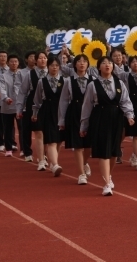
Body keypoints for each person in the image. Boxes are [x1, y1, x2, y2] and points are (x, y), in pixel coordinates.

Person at [80, 56, 135, 196]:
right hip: (100, 118)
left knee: (113, 152)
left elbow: (126, 101)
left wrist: (129, 116)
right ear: (99, 67)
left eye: (109, 63)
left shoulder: (120, 83)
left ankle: (108, 176)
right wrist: (83, 126)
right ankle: (105, 184)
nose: (107, 65)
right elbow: (87, 106)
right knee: (104, 151)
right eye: (103, 63)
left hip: (116, 119)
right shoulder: (93, 85)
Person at [58, 53, 95, 184]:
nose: (81, 63)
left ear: (88, 64)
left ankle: (84, 163)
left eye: (84, 61)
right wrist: (61, 120)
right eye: (79, 61)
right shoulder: (68, 81)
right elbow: (63, 101)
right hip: (74, 112)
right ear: (74, 65)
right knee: (78, 145)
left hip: (90, 113)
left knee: (89, 145)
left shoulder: (94, 80)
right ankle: (81, 174)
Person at [31, 56, 67, 177]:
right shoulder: (42, 81)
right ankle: (55, 164)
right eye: (52, 65)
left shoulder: (65, 81)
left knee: (59, 139)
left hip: (61, 111)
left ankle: (52, 162)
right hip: (47, 111)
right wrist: (35, 113)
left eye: (57, 65)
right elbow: (37, 100)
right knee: (51, 139)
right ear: (48, 67)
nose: (54, 68)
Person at [16, 51, 48, 165]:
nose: (43, 60)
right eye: (40, 58)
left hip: (48, 105)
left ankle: (44, 155)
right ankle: (29, 153)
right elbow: (22, 92)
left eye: (45, 58)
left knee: (47, 131)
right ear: (36, 60)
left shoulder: (52, 73)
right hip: (33, 104)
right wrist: (19, 109)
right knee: (33, 130)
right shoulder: (30, 74)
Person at [0, 55, 23, 157]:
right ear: (8, 63)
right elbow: (1, 88)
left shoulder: (22, 74)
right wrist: (5, 98)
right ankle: (8, 148)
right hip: (7, 104)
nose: (14, 63)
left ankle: (23, 149)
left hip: (20, 105)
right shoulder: (3, 76)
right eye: (11, 62)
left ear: (18, 63)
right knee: (8, 127)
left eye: (16, 61)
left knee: (22, 127)